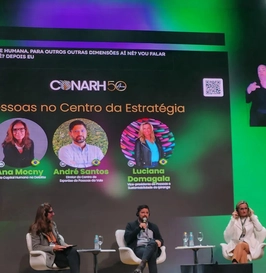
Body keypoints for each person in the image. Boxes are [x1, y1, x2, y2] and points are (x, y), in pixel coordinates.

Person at [28, 203, 80, 272]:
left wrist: (66, 246)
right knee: (73, 260)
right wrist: (53, 248)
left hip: (59, 250)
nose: (53, 214)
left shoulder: (52, 224)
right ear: (44, 214)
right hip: (50, 254)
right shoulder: (35, 228)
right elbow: (36, 247)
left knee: (73, 251)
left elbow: (58, 239)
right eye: (51, 212)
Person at [124, 205, 164, 273]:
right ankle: (142, 265)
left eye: (147, 213)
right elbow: (127, 239)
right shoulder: (131, 225)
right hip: (139, 249)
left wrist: (160, 242)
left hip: (153, 247)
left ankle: (141, 266)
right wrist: (139, 228)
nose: (145, 214)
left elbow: (161, 239)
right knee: (152, 255)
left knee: (152, 242)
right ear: (138, 214)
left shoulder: (153, 226)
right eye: (142, 212)